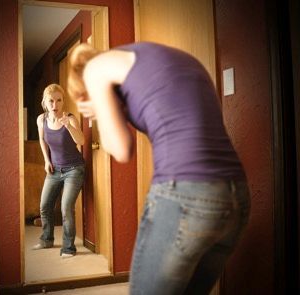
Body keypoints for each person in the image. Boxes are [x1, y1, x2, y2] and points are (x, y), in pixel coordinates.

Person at [67, 42, 250, 294]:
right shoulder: (161, 59)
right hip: (235, 197)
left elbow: (121, 150)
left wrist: (100, 109)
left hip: (186, 197)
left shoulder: (95, 68)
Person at [32, 83, 85, 258]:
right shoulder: (41, 119)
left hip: (74, 169)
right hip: (54, 169)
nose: (55, 105)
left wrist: (68, 126)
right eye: (51, 101)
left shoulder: (70, 118)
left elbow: (82, 141)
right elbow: (42, 140)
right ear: (45, 102)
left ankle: (68, 248)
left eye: (59, 100)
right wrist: (47, 161)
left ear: (63, 102)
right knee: (45, 206)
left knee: (66, 208)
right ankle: (46, 240)